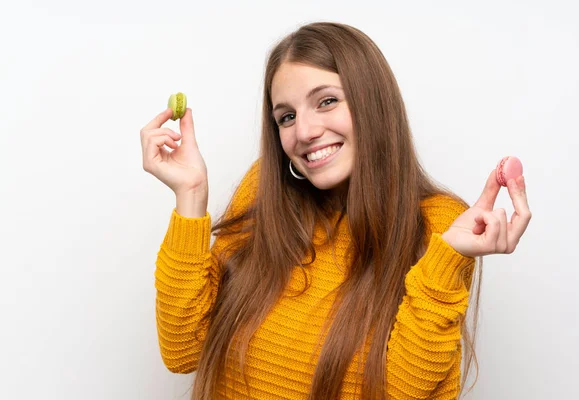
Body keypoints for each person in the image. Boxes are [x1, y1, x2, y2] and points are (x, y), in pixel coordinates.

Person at [140, 22, 531, 400]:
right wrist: (191, 197)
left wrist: (449, 261)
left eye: (326, 101)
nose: (304, 131)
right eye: (286, 117)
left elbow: (404, 394)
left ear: (371, 103)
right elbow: (182, 351)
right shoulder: (265, 192)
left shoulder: (440, 224)